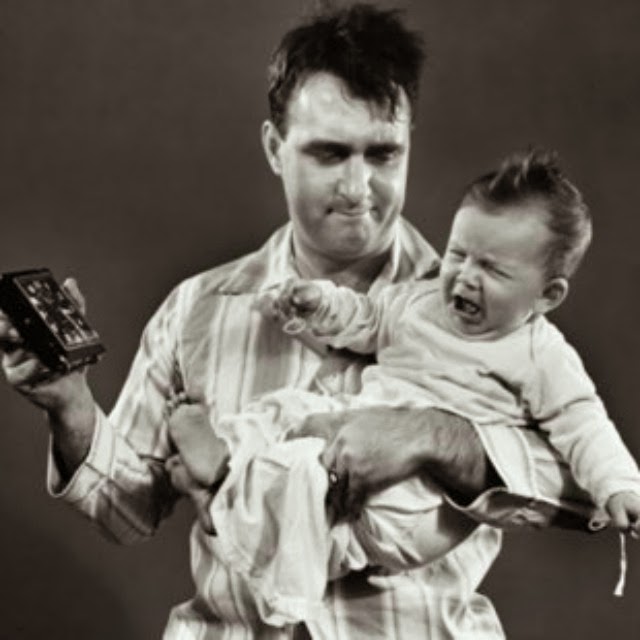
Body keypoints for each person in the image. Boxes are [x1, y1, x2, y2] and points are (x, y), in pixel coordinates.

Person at [0, 4, 619, 638]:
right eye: (330, 153)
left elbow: (585, 493)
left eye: (383, 154)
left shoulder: (490, 316)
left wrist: (435, 436)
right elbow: (125, 513)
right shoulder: (195, 310)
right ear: (275, 148)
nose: (359, 188)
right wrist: (70, 406)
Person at [165, 149, 640, 624]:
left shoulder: (542, 356)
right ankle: (224, 459)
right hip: (357, 414)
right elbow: (367, 318)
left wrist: (619, 485)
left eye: (493, 270)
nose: (465, 277)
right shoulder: (421, 300)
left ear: (547, 295)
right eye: (458, 254)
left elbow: (584, 423)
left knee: (308, 478)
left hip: (421, 499)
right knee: (284, 413)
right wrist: (321, 304)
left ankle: (241, 517)